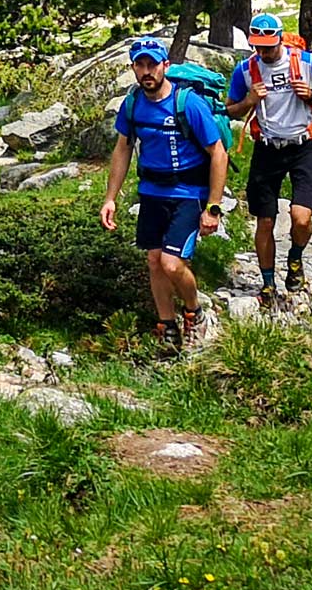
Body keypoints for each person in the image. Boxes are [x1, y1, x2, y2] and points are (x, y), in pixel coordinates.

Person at [99, 35, 230, 357]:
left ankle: (194, 312)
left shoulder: (188, 103)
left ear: (165, 67)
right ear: (133, 68)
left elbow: (218, 153)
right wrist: (110, 197)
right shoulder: (132, 105)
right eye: (140, 65)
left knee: (172, 264)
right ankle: (167, 327)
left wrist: (213, 207)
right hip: (151, 193)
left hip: (188, 193)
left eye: (153, 65)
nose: (147, 71)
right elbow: (123, 148)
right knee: (155, 262)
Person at [226, 12, 312, 305]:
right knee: (264, 221)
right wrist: (249, 102)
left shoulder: (305, 62)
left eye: (268, 46)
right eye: (258, 46)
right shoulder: (245, 70)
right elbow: (230, 109)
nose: (263, 52)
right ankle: (268, 283)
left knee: (301, 217)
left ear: (280, 39)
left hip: (304, 146)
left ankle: (295, 258)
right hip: (267, 149)